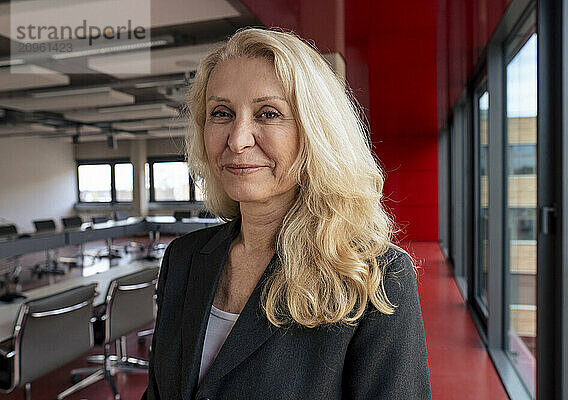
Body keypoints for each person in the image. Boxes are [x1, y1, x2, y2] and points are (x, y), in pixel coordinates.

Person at [142, 27, 431, 400]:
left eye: (268, 113)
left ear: (314, 132)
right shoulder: (183, 259)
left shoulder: (375, 277)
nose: (238, 138)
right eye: (221, 113)